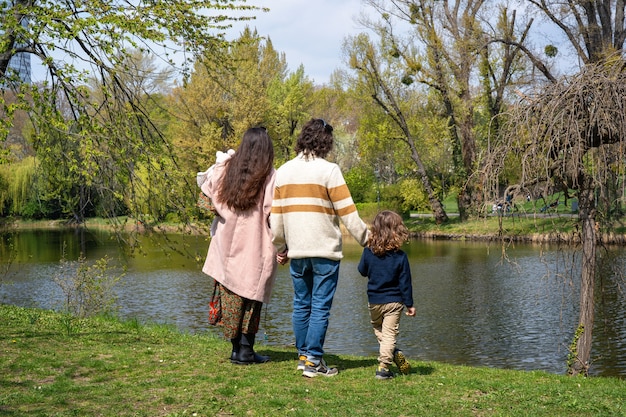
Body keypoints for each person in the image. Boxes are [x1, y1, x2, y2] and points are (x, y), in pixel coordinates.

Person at [271, 118, 369, 378]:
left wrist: (281, 246)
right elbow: (348, 213)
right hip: (324, 250)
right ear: (325, 142)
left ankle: (304, 356)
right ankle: (314, 360)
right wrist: (368, 239)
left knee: (301, 304)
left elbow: (276, 217)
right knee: (320, 307)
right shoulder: (329, 170)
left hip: (298, 252)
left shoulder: (283, 171)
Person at [200, 127, 277, 365]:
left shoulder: (225, 168)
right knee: (251, 296)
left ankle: (236, 350)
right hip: (256, 243)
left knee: (231, 294)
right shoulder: (269, 175)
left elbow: (204, 200)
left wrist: (223, 211)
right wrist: (283, 243)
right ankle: (245, 350)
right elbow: (273, 212)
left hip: (227, 243)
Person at [357, 210, 416, 379]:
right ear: (397, 231)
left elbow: (362, 271)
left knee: (379, 329)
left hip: (374, 300)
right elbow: (405, 283)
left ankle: (387, 359)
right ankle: (385, 365)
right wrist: (410, 304)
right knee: (389, 334)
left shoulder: (369, 252)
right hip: (394, 302)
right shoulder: (400, 256)